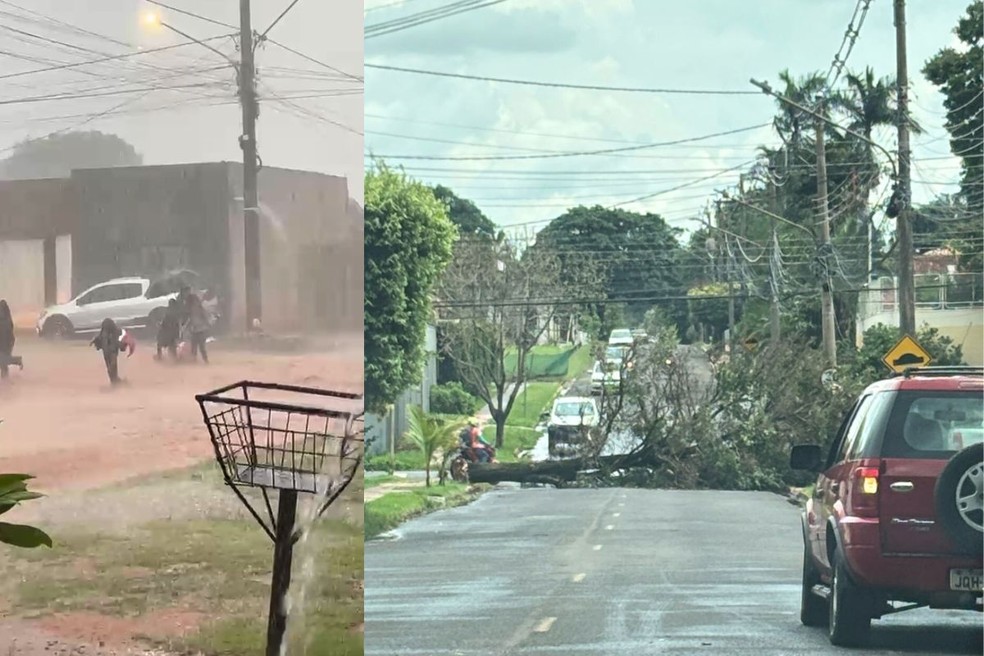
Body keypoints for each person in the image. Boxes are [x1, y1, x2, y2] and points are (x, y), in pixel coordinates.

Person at [90, 318, 133, 385]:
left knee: (111, 366)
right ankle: (115, 382)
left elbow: (124, 339)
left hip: (111, 351)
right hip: (109, 351)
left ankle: (115, 382)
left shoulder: (113, 333)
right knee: (111, 367)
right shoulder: (106, 333)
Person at [0, 300, 23, 379]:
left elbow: (5, 332)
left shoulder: (4, 319)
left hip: (5, 341)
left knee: (3, 359)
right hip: (8, 341)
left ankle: (17, 360)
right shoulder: (7, 318)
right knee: (3, 362)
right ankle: (5, 380)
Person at [184, 293, 210, 364]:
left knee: (199, 347)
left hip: (199, 329)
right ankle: (200, 360)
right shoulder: (193, 309)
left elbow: (204, 317)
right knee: (196, 347)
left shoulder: (197, 309)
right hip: (197, 330)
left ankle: (203, 360)